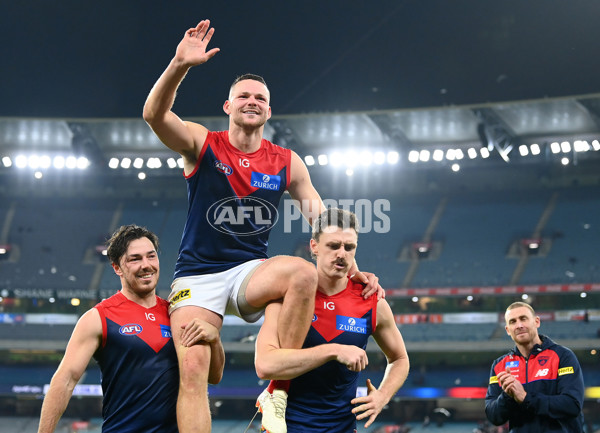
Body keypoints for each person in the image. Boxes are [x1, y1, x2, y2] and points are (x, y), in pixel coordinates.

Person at [143, 19, 381, 433]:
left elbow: (324, 224)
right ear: (228, 106)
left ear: (269, 111)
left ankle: (276, 391)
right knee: (195, 367)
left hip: (251, 272)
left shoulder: (287, 162)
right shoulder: (203, 143)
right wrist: (179, 64)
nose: (251, 101)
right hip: (198, 277)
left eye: (260, 98)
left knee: (303, 273)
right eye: (243, 96)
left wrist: (354, 267)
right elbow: (154, 115)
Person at [37, 225, 224, 433]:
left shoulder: (177, 314)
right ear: (117, 267)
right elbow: (65, 380)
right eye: (135, 259)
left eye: (151, 256)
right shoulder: (98, 317)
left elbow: (213, 377)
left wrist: (215, 340)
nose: (146, 265)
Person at [254, 209, 410, 433]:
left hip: (343, 428)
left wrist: (383, 396)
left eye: (349, 247)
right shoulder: (287, 297)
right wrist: (333, 350)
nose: (342, 254)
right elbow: (265, 365)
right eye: (333, 246)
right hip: (289, 427)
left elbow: (400, 358)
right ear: (314, 246)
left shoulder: (371, 300)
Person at [485, 302, 585, 432]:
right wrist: (507, 396)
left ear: (537, 322)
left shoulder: (563, 356)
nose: (519, 325)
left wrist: (526, 398)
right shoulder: (500, 366)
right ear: (508, 330)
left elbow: (572, 405)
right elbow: (494, 416)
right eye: (513, 321)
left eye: (523, 319)